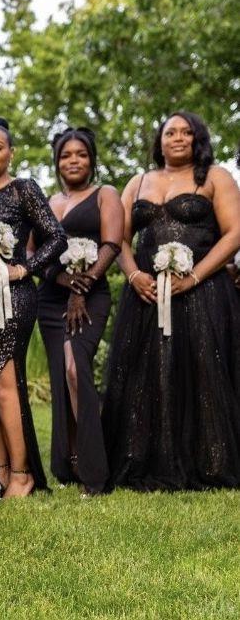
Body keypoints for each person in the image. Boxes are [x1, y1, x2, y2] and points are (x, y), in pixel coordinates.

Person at [102, 111, 240, 491]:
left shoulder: (216, 177)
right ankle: (143, 458)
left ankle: (211, 461)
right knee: (147, 374)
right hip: (146, 295)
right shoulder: (137, 182)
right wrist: (134, 275)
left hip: (203, 293)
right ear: (159, 141)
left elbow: (234, 234)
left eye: (186, 132)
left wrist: (194, 277)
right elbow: (118, 239)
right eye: (170, 132)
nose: (178, 138)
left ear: (198, 139)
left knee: (203, 372)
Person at [0, 117, 66, 498]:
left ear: (11, 153)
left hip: (13, 299)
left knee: (5, 384)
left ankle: (23, 474)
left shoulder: (24, 189)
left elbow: (57, 238)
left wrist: (22, 269)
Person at [36, 128, 123, 495]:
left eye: (81, 154)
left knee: (75, 368)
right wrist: (62, 282)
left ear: (91, 160)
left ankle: (95, 472)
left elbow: (111, 245)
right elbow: (33, 254)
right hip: (50, 298)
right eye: (66, 155)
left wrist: (80, 288)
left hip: (92, 295)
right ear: (57, 162)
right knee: (62, 375)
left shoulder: (105, 194)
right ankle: (69, 461)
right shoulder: (47, 201)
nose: (74, 160)